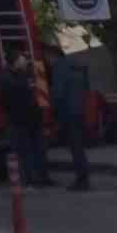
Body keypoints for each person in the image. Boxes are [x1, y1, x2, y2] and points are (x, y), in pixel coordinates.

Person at [0, 50, 52, 188]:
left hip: (34, 119)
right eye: (22, 58)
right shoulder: (5, 78)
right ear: (15, 61)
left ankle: (43, 177)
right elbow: (6, 100)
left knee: (40, 150)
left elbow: (43, 87)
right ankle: (30, 180)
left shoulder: (28, 73)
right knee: (25, 151)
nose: (26, 61)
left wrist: (37, 69)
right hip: (18, 121)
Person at [48, 47, 91, 191]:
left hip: (68, 112)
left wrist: (54, 111)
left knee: (75, 147)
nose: (47, 61)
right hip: (79, 110)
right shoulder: (77, 66)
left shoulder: (59, 68)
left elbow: (58, 93)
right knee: (79, 147)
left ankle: (81, 180)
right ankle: (83, 177)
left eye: (48, 57)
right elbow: (86, 88)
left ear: (53, 55)